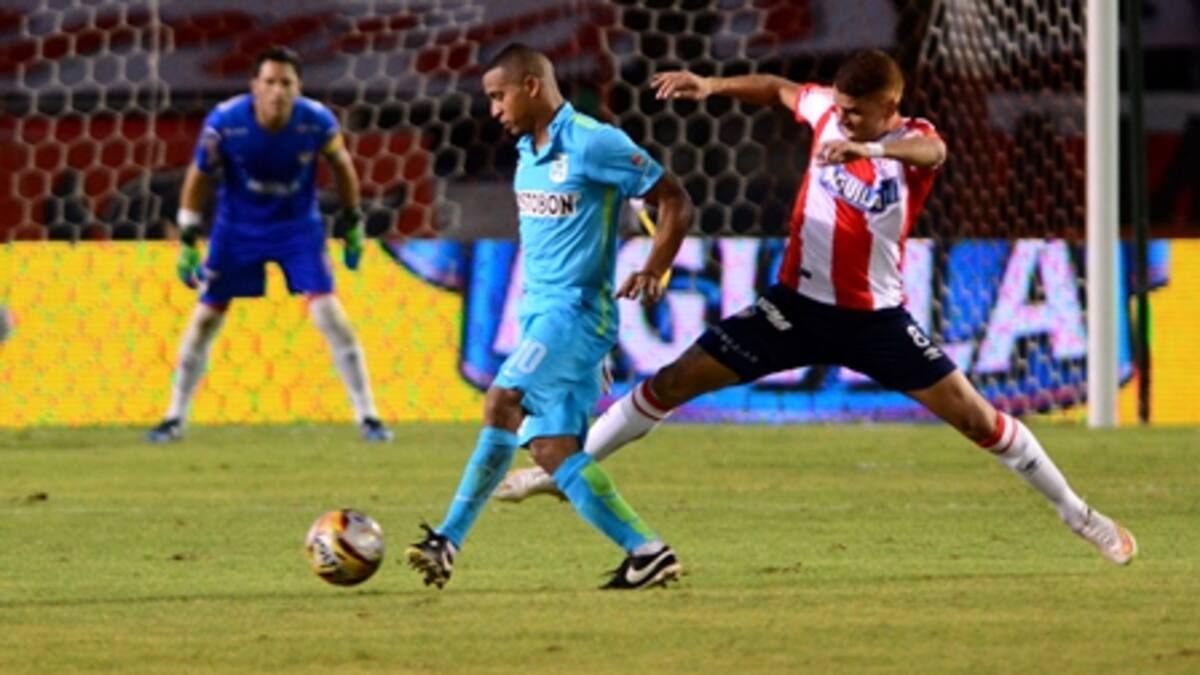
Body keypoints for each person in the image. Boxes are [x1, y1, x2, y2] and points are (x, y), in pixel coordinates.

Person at [493, 49, 1138, 566]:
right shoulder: (828, 109)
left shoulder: (911, 141)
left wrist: (869, 149)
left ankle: (1079, 514)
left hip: (877, 321)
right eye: (843, 110)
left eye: (859, 113)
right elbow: (779, 89)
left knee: (976, 418)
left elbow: (934, 153)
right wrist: (711, 85)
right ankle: (562, 472)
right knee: (673, 381)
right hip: (794, 309)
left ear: (891, 107)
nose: (845, 120)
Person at [404, 43, 695, 590]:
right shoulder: (528, 151)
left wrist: (655, 268)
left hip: (575, 316)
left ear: (531, 85)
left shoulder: (593, 141)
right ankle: (648, 552)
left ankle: (447, 539)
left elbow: (676, 200)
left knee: (501, 399)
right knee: (553, 451)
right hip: (543, 318)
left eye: (499, 96)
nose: (494, 110)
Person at [146, 46, 392, 443]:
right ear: (255, 87)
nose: (278, 91)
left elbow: (343, 166)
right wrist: (188, 238)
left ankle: (369, 417)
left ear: (298, 88)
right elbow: (198, 176)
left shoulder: (316, 121)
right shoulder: (225, 122)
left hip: (297, 229)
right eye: (270, 82)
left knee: (330, 315)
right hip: (237, 230)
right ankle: (174, 417)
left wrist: (352, 222)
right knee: (205, 318)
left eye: (286, 83)